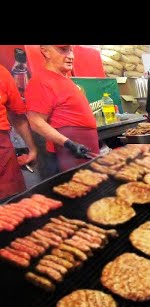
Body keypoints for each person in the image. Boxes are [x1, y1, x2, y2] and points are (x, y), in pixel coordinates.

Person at [25, 45, 97, 173]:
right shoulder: (41, 81)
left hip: (83, 149)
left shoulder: (65, 79)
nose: (71, 56)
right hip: (69, 153)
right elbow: (36, 122)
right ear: (46, 51)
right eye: (63, 50)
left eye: (71, 51)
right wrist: (69, 144)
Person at [0, 64, 37, 201]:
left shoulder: (2, 73)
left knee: (13, 207)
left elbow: (17, 115)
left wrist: (32, 149)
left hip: (2, 154)